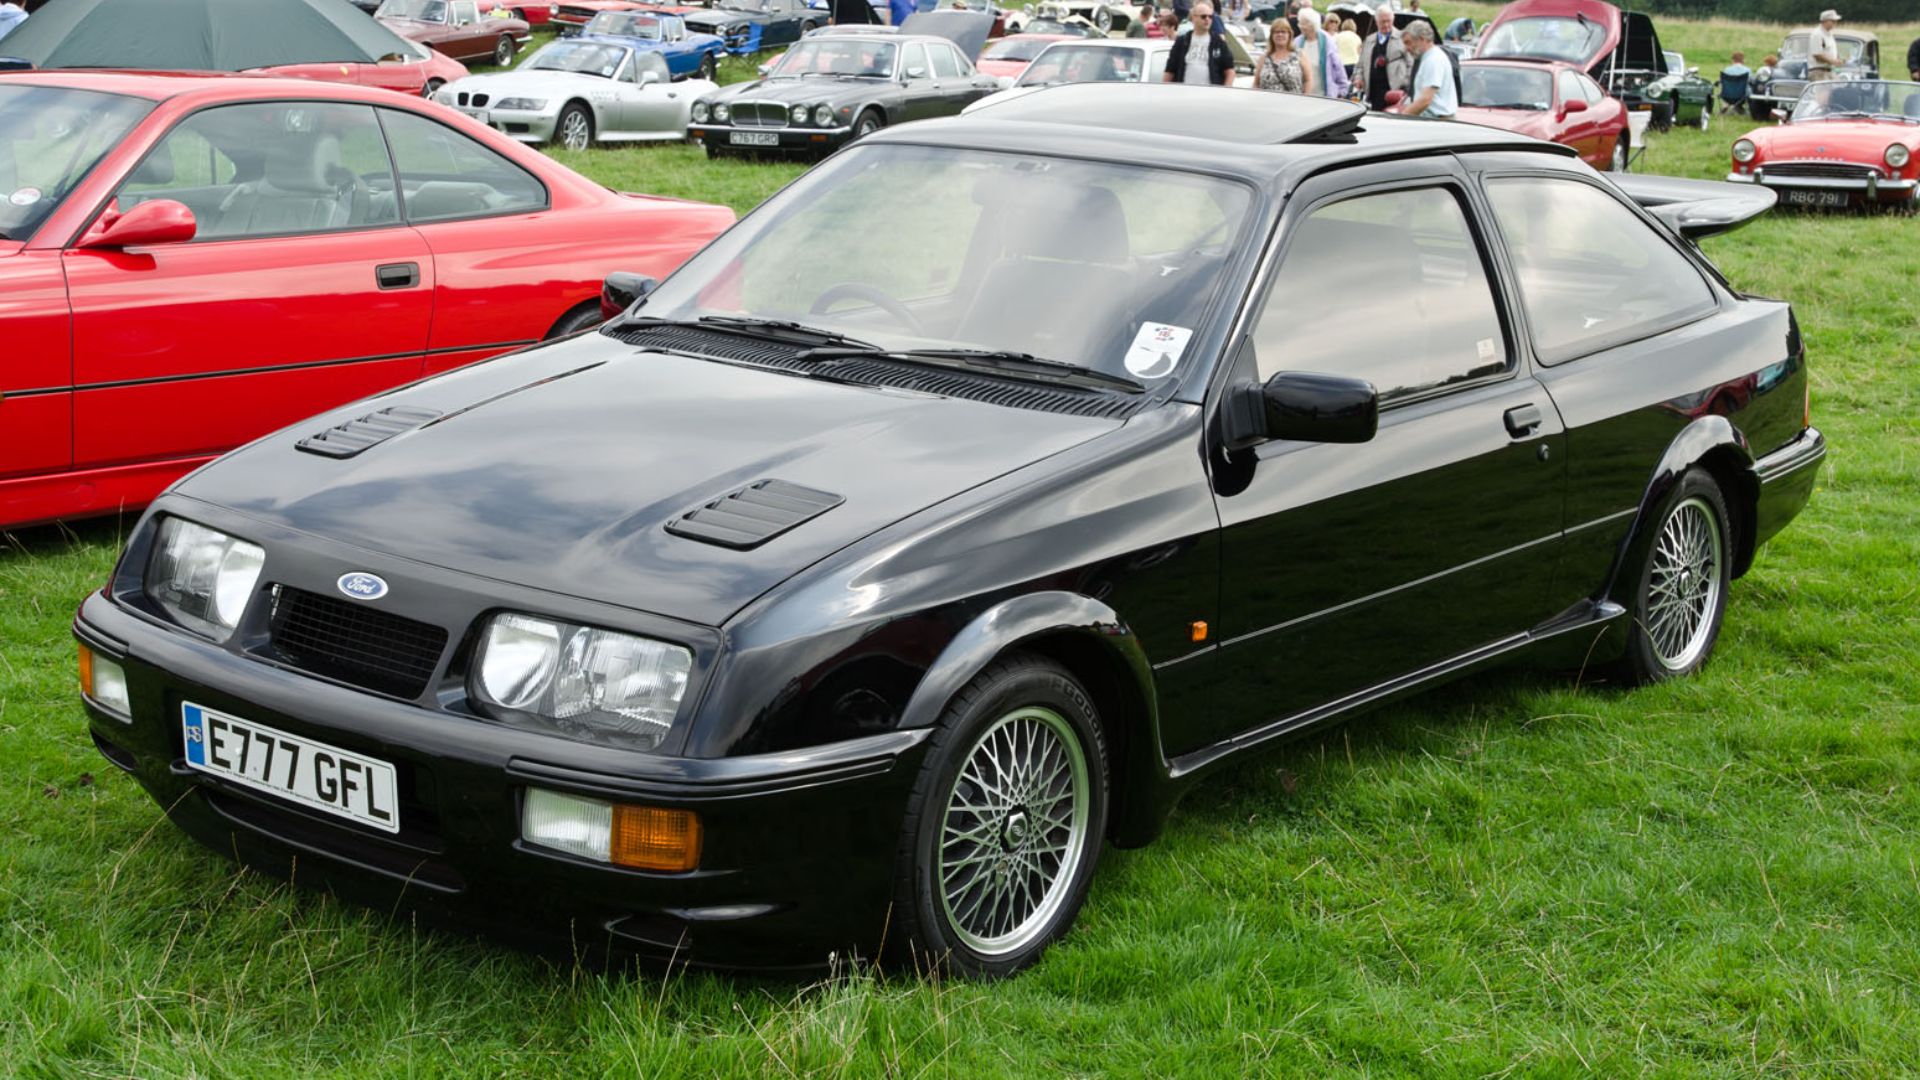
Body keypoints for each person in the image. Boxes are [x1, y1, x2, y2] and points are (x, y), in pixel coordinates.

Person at [1163, 2, 1235, 85]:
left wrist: (1224, 90)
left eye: (1210, 17)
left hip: (1210, 92)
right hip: (1184, 91)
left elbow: (1230, 71)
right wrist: (1164, 89)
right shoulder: (1182, 41)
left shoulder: (1218, 42)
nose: (1207, 19)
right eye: (1203, 16)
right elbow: (1170, 70)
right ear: (1194, 18)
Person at [1355, 3, 1409, 110]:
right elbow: (1360, 65)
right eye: (1382, 22)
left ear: (1393, 20)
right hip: (1373, 93)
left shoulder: (1402, 38)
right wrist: (1359, 78)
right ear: (1376, 22)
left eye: (1389, 21)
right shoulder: (1369, 40)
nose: (1386, 24)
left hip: (1395, 93)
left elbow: (1411, 64)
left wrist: (1405, 83)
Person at [1400, 20, 1455, 117]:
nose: (1406, 48)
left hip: (1438, 121)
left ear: (1422, 39)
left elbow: (1425, 100)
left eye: (1408, 42)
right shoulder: (1428, 58)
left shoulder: (1433, 60)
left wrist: (1402, 117)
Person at [1294, 8, 1349, 98]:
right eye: (1300, 23)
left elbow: (1338, 66)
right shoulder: (1297, 42)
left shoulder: (1327, 41)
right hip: (1302, 94)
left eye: (1304, 24)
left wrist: (1342, 89)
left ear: (1313, 24)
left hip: (1323, 95)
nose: (1301, 26)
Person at [1256, 20, 1313, 94]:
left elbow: (1308, 80)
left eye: (1283, 32)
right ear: (1271, 35)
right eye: (1276, 32)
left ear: (1289, 35)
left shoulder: (1299, 55)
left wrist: (1304, 98)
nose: (1280, 34)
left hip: (1292, 100)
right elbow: (1256, 83)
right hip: (1266, 100)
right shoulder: (1264, 57)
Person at [1808, 9, 1842, 83]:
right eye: (1832, 21)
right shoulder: (1817, 34)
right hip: (1819, 71)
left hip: (1829, 70)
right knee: (1822, 90)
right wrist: (1833, 61)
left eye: (1835, 21)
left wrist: (1837, 59)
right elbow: (1817, 55)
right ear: (1825, 21)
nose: (1835, 23)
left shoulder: (1829, 34)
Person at [1335, 16, 1361, 81]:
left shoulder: (1338, 36)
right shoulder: (1357, 37)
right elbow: (1359, 52)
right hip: (1354, 63)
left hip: (1341, 64)